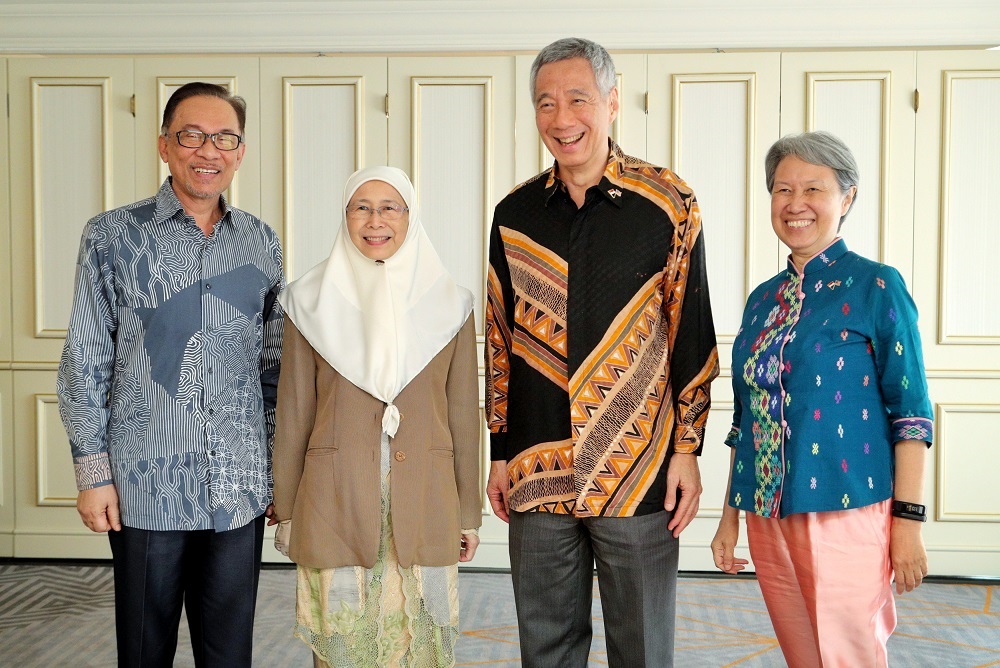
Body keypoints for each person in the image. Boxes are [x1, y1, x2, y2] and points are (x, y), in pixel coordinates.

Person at [484, 37, 719, 667]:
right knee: (546, 647)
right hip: (538, 472)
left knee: (642, 647)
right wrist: (500, 452)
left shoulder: (668, 204)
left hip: (638, 472)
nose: (562, 119)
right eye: (546, 104)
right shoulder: (514, 214)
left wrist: (687, 452)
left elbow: (690, 337)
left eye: (578, 99)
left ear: (612, 102)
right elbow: (500, 344)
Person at [57, 82, 285, 667]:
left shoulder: (261, 242)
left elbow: (273, 368)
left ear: (240, 151)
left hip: (237, 489)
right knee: (143, 649)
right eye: (192, 136)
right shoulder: (112, 236)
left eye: (225, 138)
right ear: (165, 145)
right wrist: (92, 472)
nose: (209, 151)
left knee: (229, 654)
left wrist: (278, 474)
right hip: (143, 487)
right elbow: (86, 355)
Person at [711, 131, 933, 667]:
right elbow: (747, 416)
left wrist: (907, 522)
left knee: (848, 653)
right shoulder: (762, 298)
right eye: (783, 189)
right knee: (802, 654)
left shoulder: (876, 286)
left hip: (846, 505)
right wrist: (730, 515)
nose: (795, 204)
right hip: (766, 508)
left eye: (814, 188)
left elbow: (911, 414)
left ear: (847, 198)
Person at [271, 166, 481, 668]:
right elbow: (294, 412)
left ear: (411, 217)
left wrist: (468, 512)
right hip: (335, 500)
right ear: (345, 217)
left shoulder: (451, 303)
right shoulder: (308, 301)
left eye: (390, 207)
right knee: (345, 644)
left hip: (426, 497)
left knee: (418, 645)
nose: (375, 220)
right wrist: (287, 508)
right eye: (361, 207)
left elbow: (462, 418)